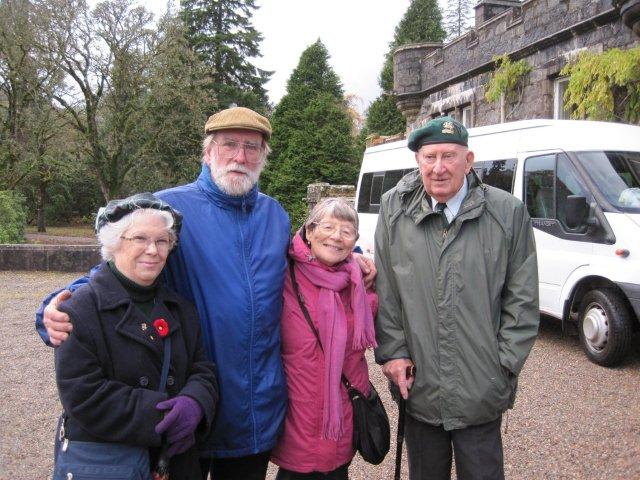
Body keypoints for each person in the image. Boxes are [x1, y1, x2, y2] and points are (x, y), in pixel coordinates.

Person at [37, 107, 375, 480]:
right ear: (208, 152)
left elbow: (309, 255)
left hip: (255, 409)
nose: (240, 156)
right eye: (229, 144)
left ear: (263, 157)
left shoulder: (274, 216)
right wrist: (63, 302)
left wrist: (353, 259)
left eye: (251, 147)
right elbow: (123, 263)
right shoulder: (171, 208)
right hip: (191, 402)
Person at [374, 116, 539, 480]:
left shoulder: (507, 212)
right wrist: (394, 353)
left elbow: (522, 301)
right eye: (429, 157)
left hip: (480, 389)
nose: (438, 167)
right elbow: (386, 292)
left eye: (449, 156)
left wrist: (502, 367)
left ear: (469, 160)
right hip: (419, 387)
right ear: (417, 161)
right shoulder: (393, 210)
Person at [53, 193, 218, 480]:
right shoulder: (80, 309)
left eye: (162, 241)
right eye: (139, 239)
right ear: (114, 244)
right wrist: (163, 416)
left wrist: (194, 403)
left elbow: (202, 369)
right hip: (109, 462)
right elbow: (83, 393)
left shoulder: (180, 308)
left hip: (174, 464)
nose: (152, 250)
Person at [271, 199, 378, 480]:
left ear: (355, 239)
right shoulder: (281, 274)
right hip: (296, 416)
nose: (336, 236)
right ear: (309, 231)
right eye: (328, 226)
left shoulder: (362, 284)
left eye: (347, 231)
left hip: (342, 415)